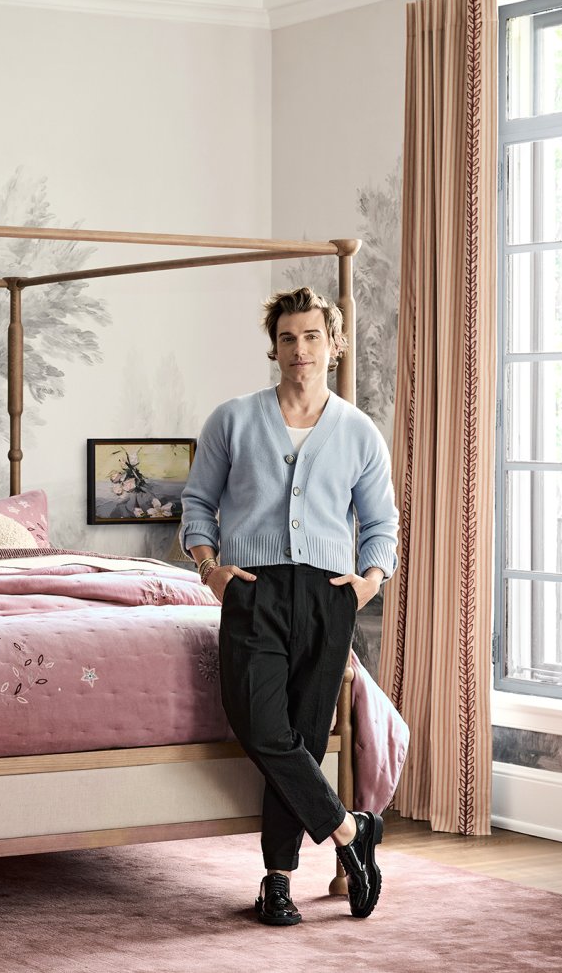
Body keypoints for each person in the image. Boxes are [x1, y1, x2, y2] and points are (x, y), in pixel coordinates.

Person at [180, 286, 399, 925]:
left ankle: (277, 881)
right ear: (273, 348)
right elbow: (197, 505)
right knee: (261, 725)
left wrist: (370, 580)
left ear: (334, 344)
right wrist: (211, 571)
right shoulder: (232, 420)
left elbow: (381, 523)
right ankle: (351, 830)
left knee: (301, 735)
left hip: (330, 597)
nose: (299, 349)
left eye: (311, 337)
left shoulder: (358, 432)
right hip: (254, 589)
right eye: (287, 338)